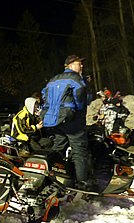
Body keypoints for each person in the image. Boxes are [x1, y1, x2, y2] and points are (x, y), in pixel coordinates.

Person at [41, 54, 89, 189]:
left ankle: (51, 177)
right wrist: (78, 110)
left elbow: (44, 94)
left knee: (58, 148)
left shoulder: (53, 79)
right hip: (73, 121)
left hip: (57, 120)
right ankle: (81, 184)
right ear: (71, 65)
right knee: (79, 151)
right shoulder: (76, 78)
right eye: (79, 64)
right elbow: (80, 95)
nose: (81, 66)